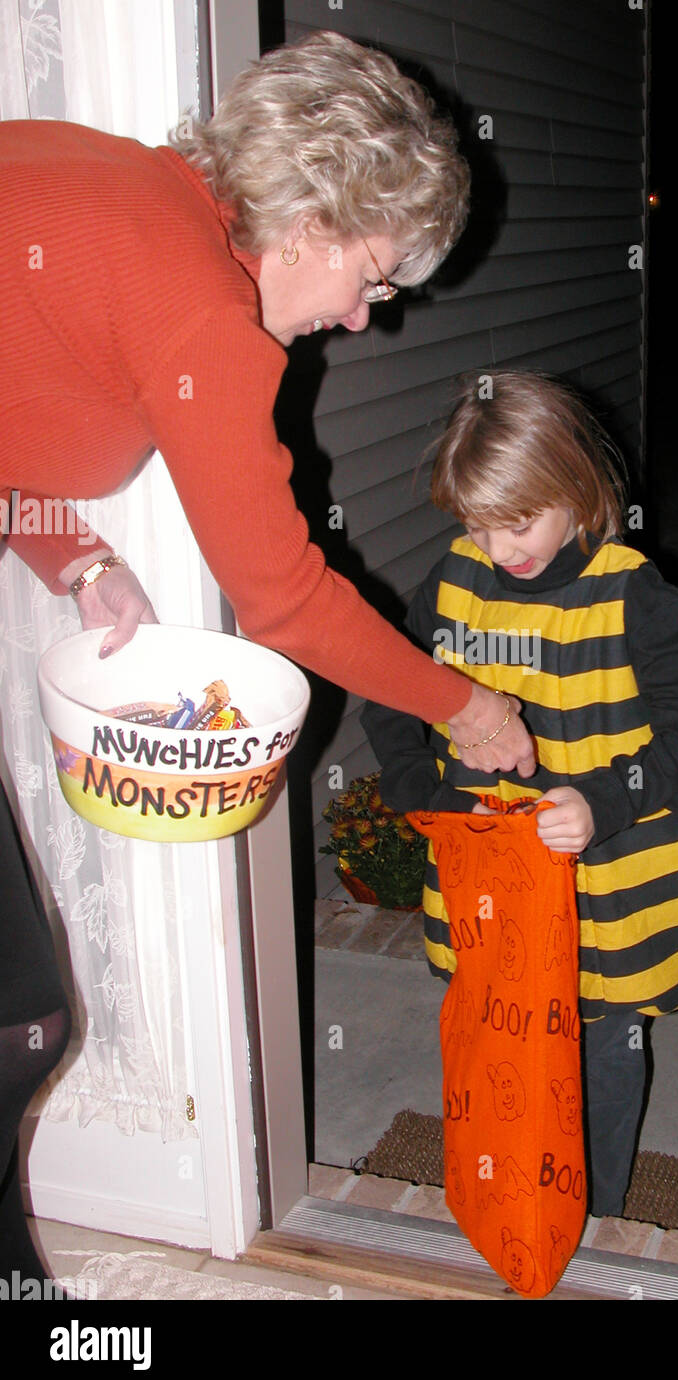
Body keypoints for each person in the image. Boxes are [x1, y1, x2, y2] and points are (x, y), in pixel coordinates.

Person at [0, 30, 535, 1283]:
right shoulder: (202, 304)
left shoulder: (121, 188)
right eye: (377, 277)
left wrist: (75, 557)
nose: (363, 314)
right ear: (321, 213)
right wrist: (466, 705)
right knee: (23, 1022)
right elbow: (286, 598)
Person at [361, 371, 678, 1216]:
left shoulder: (631, 592)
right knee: (504, 1036)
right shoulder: (457, 578)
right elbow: (390, 683)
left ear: (574, 488)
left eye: (519, 521)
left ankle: (591, 1214)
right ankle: (517, 1189)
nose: (499, 549)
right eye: (475, 524)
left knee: (599, 1044)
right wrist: (420, 786)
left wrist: (602, 801)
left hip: (611, 879)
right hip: (497, 880)